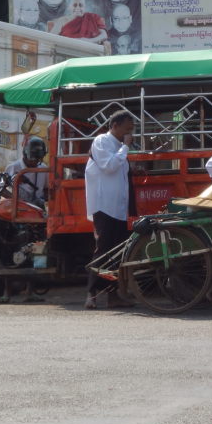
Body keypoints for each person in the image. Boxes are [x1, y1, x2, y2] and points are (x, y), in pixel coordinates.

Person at [84, 111, 136, 310]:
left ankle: (112, 295)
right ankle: (91, 294)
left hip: (119, 207)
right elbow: (109, 166)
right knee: (103, 250)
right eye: (127, 128)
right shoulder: (102, 141)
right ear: (115, 125)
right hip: (104, 205)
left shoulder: (119, 147)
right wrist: (125, 148)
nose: (129, 133)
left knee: (117, 253)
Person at [6, 136, 49, 207]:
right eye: (33, 160)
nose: (36, 162)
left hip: (38, 207)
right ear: (25, 155)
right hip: (19, 208)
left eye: (38, 160)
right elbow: (1, 189)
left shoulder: (44, 169)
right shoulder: (13, 167)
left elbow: (47, 189)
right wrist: (17, 200)